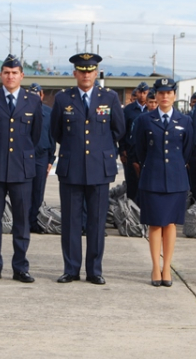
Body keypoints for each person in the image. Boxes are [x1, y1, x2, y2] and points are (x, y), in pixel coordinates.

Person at [50, 53, 125, 285]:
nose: (85, 75)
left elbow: (118, 130)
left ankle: (94, 270)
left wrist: (100, 149)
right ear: (75, 73)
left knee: (97, 220)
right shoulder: (63, 99)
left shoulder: (110, 97)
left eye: (90, 70)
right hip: (72, 167)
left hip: (99, 168)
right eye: (81, 71)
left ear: (96, 73)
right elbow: (56, 131)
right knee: (71, 221)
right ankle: (71, 269)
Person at [0, 55, 43, 283]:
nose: (10, 76)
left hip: (22, 170)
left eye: (14, 73)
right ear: (1, 75)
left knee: (22, 221)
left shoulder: (33, 101)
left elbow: (34, 136)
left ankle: (20, 267)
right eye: (6, 72)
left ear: (22, 76)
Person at [135, 78, 194, 287]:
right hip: (152, 177)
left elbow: (187, 151)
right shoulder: (145, 120)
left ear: (175, 96)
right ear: (156, 96)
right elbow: (140, 149)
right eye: (161, 93)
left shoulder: (184, 120)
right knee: (155, 223)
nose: (165, 96)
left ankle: (167, 266)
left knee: (170, 224)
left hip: (176, 179)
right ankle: (154, 266)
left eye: (169, 93)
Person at [27, 83, 56, 234]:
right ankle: (23, 222)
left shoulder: (48, 112)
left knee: (38, 191)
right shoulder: (23, 110)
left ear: (42, 95)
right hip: (25, 156)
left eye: (37, 94)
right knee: (24, 191)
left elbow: (53, 136)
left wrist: (51, 160)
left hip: (41, 156)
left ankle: (35, 221)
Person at [120, 82, 148, 202]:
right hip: (131, 151)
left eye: (145, 93)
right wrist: (122, 150)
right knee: (132, 183)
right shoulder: (129, 110)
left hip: (147, 151)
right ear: (136, 93)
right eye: (140, 92)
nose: (142, 95)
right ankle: (132, 212)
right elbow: (122, 131)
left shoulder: (152, 109)